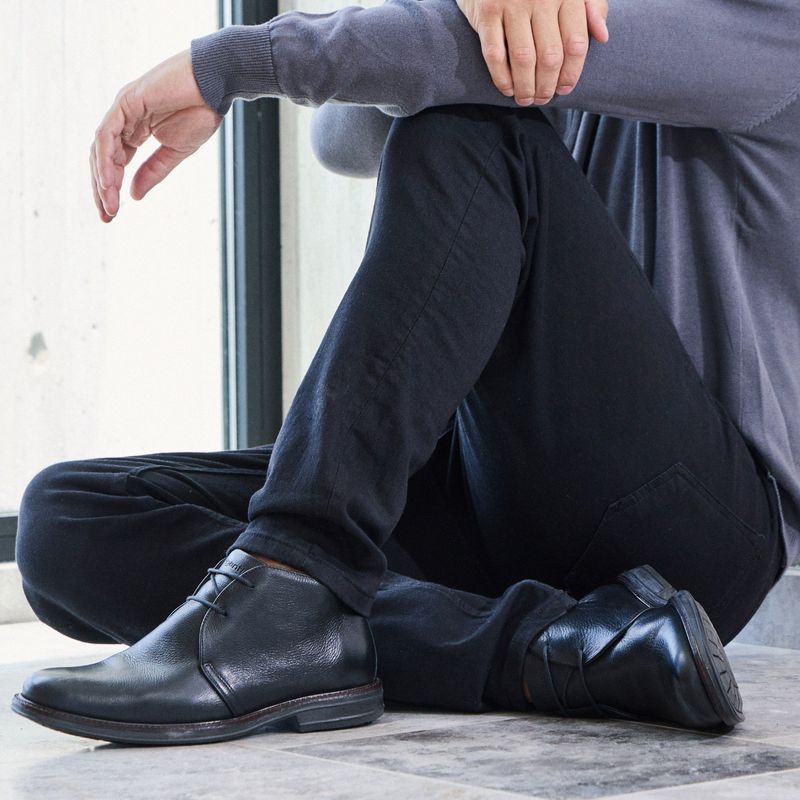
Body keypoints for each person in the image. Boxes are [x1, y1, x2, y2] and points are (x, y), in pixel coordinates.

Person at [10, 0, 798, 745]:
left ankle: (298, 562)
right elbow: (343, 135)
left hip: (695, 528)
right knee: (69, 522)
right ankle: (556, 651)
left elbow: (438, 63)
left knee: (467, 128)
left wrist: (226, 64)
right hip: (493, 491)